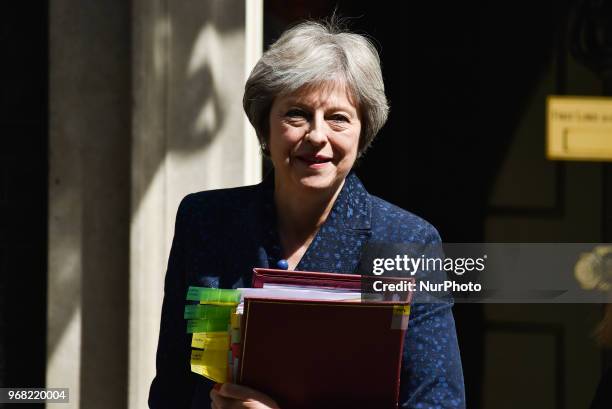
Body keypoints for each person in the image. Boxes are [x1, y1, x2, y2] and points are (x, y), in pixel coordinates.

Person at [148, 19, 465, 409]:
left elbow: (436, 402)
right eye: (296, 114)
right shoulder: (206, 222)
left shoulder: (409, 243)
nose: (317, 136)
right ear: (265, 127)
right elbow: (173, 391)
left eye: (338, 118)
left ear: (362, 132)